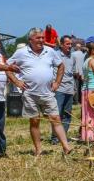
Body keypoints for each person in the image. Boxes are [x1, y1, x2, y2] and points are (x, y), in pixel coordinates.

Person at [8, 27, 72, 156]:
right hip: (30, 93)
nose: (42, 40)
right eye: (38, 38)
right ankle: (38, 150)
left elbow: (61, 66)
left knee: (55, 118)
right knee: (35, 120)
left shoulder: (50, 51)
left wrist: (57, 83)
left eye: (42, 37)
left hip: (48, 92)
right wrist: (16, 82)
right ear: (30, 39)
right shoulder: (21, 52)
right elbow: (7, 66)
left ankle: (66, 147)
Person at [50, 35, 76, 144]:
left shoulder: (72, 57)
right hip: (59, 89)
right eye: (67, 44)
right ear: (61, 44)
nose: (70, 46)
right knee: (57, 114)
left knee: (67, 114)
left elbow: (73, 73)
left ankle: (63, 137)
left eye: (71, 44)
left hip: (69, 89)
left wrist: (74, 88)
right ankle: (55, 138)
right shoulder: (55, 55)